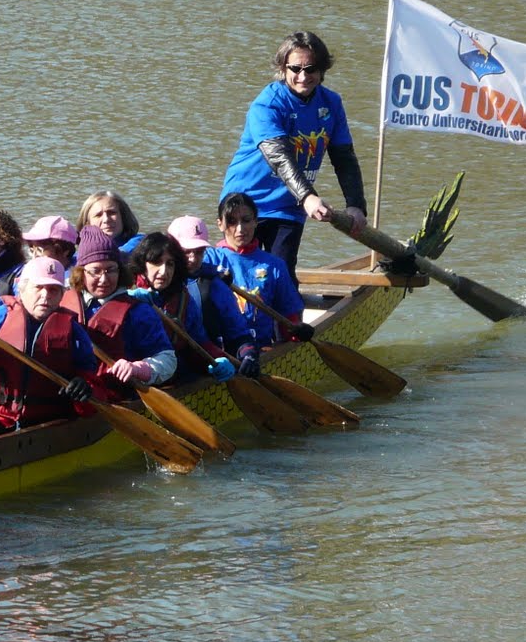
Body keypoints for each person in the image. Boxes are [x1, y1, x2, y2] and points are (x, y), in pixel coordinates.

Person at [219, 30, 368, 280]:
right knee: (239, 275)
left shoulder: (331, 103)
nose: (302, 76)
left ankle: (285, 317)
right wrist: (308, 196)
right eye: (295, 68)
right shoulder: (267, 104)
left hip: (288, 206)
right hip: (246, 201)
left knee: (281, 277)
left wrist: (356, 205)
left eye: (310, 69)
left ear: (322, 71)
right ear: (283, 68)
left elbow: (344, 158)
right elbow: (278, 156)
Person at [0, 257, 98, 447]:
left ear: (61, 295)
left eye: (53, 290)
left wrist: (84, 385)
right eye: (38, 288)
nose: (45, 296)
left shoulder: (74, 332)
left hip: (45, 420)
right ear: (22, 289)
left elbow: (90, 376)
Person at [129, 230, 247, 383]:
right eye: (156, 262)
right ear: (143, 264)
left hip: (172, 374)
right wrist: (126, 301)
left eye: (170, 264)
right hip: (130, 376)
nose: (164, 271)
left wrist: (216, 360)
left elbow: (199, 342)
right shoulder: (126, 293)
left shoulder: (183, 299)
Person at [69, 228, 176, 393]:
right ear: (81, 273)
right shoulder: (62, 305)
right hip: (76, 396)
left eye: (111, 270)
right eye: (96, 271)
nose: (104, 279)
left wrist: (137, 368)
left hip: (118, 396)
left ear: (120, 271)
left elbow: (168, 361)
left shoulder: (139, 312)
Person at [205, 193, 310, 352]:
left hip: (258, 351)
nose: (240, 229)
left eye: (246, 221)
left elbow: (289, 320)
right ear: (220, 224)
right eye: (232, 221)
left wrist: (297, 332)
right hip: (219, 353)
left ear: (255, 222)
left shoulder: (275, 266)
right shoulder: (208, 259)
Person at [77, 191, 143, 257]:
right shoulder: (77, 257)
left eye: (112, 213)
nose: (106, 219)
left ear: (123, 216)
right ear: (87, 224)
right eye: (98, 215)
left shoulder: (141, 243)